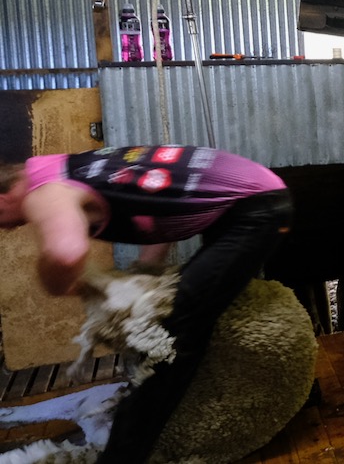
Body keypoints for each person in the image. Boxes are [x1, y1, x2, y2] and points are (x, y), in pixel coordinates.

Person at [0, 145, 293, 464]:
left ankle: (122, 458)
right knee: (182, 316)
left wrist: (53, 282)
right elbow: (158, 211)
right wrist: (145, 278)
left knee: (168, 342)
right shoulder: (67, 167)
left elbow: (66, 252)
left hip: (256, 208)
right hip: (251, 198)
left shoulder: (42, 191)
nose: (5, 228)